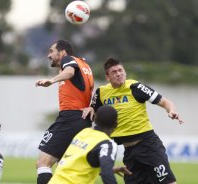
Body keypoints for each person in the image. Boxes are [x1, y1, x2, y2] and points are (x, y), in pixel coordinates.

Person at [82, 57, 184, 184]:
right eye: (114, 72)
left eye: (120, 70)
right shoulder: (101, 92)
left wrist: (171, 110)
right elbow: (93, 109)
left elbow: (165, 101)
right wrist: (91, 108)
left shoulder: (135, 87)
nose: (119, 74)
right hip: (129, 152)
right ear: (107, 77)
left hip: (149, 146)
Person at [35, 39, 94, 184]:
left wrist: (51, 80)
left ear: (62, 52)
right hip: (83, 121)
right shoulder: (85, 64)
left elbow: (69, 72)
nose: (48, 55)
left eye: (51, 51)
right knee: (65, 168)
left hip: (70, 119)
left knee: (43, 163)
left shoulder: (68, 60)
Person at [49, 105, 132, 184]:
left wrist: (111, 169)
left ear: (95, 119)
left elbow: (79, 164)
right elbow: (106, 174)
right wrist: (108, 171)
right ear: (116, 124)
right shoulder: (107, 143)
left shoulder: (83, 133)